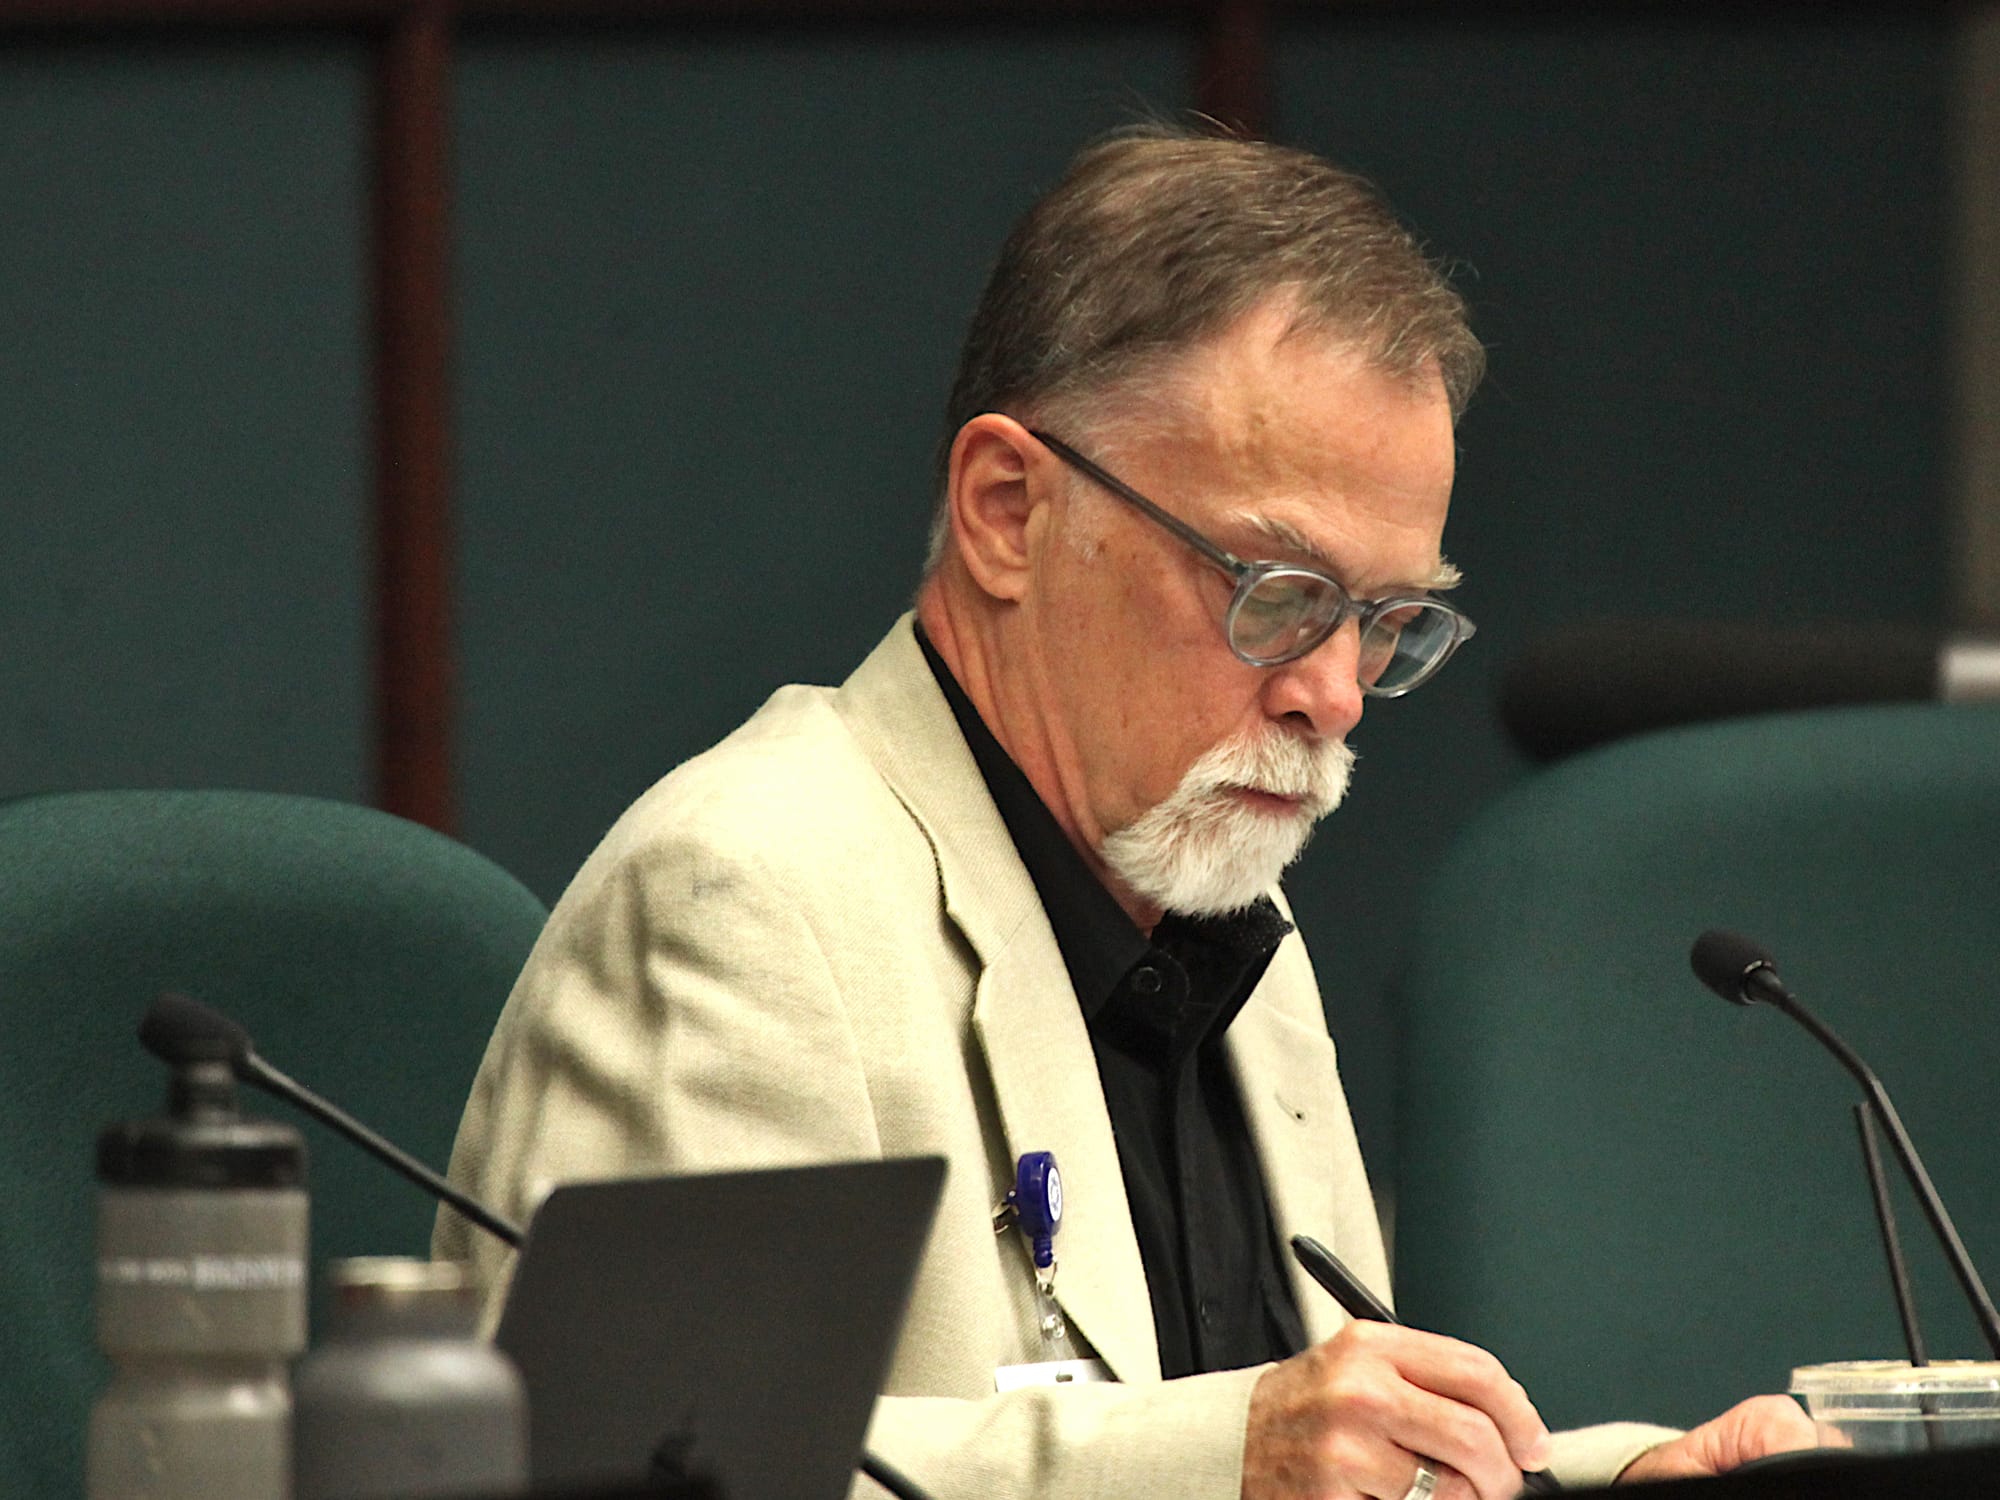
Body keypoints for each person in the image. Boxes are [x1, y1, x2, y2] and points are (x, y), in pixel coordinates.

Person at [438, 125, 1814, 1500]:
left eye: (1387, 621)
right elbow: (638, 1471)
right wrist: (1230, 1458)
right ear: (1005, 511)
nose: (1332, 693)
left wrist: (1628, 1482)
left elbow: (1332, 1465)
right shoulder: (747, 895)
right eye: (1277, 593)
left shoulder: (1227, 909)